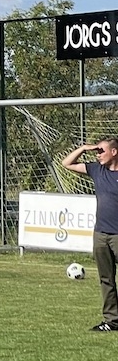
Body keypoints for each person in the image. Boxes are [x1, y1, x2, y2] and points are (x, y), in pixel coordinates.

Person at [63, 138, 118, 331]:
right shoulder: (97, 170)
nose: (97, 154)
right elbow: (66, 163)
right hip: (101, 234)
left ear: (114, 152)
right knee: (106, 279)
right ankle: (112, 321)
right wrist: (84, 148)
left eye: (101, 150)